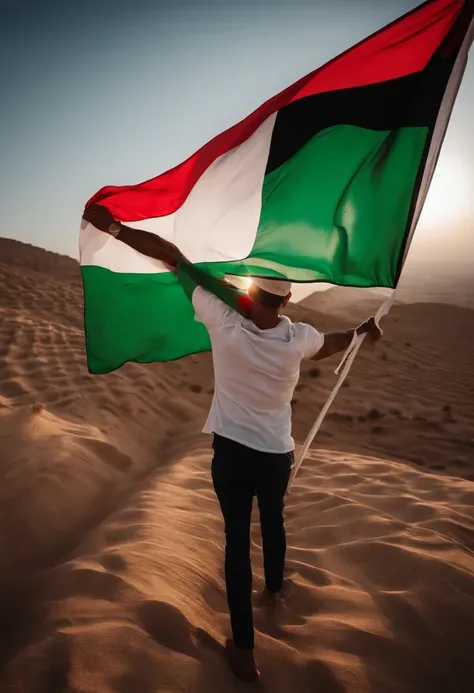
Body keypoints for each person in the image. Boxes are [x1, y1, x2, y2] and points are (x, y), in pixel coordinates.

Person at [82, 204, 383, 682]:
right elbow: (330, 343)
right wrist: (362, 331)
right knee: (274, 518)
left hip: (232, 456)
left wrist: (115, 228)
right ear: (285, 301)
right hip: (275, 456)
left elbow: (173, 258)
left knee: (236, 543)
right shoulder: (298, 338)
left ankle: (245, 650)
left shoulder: (222, 322)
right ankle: (275, 591)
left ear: (248, 291)